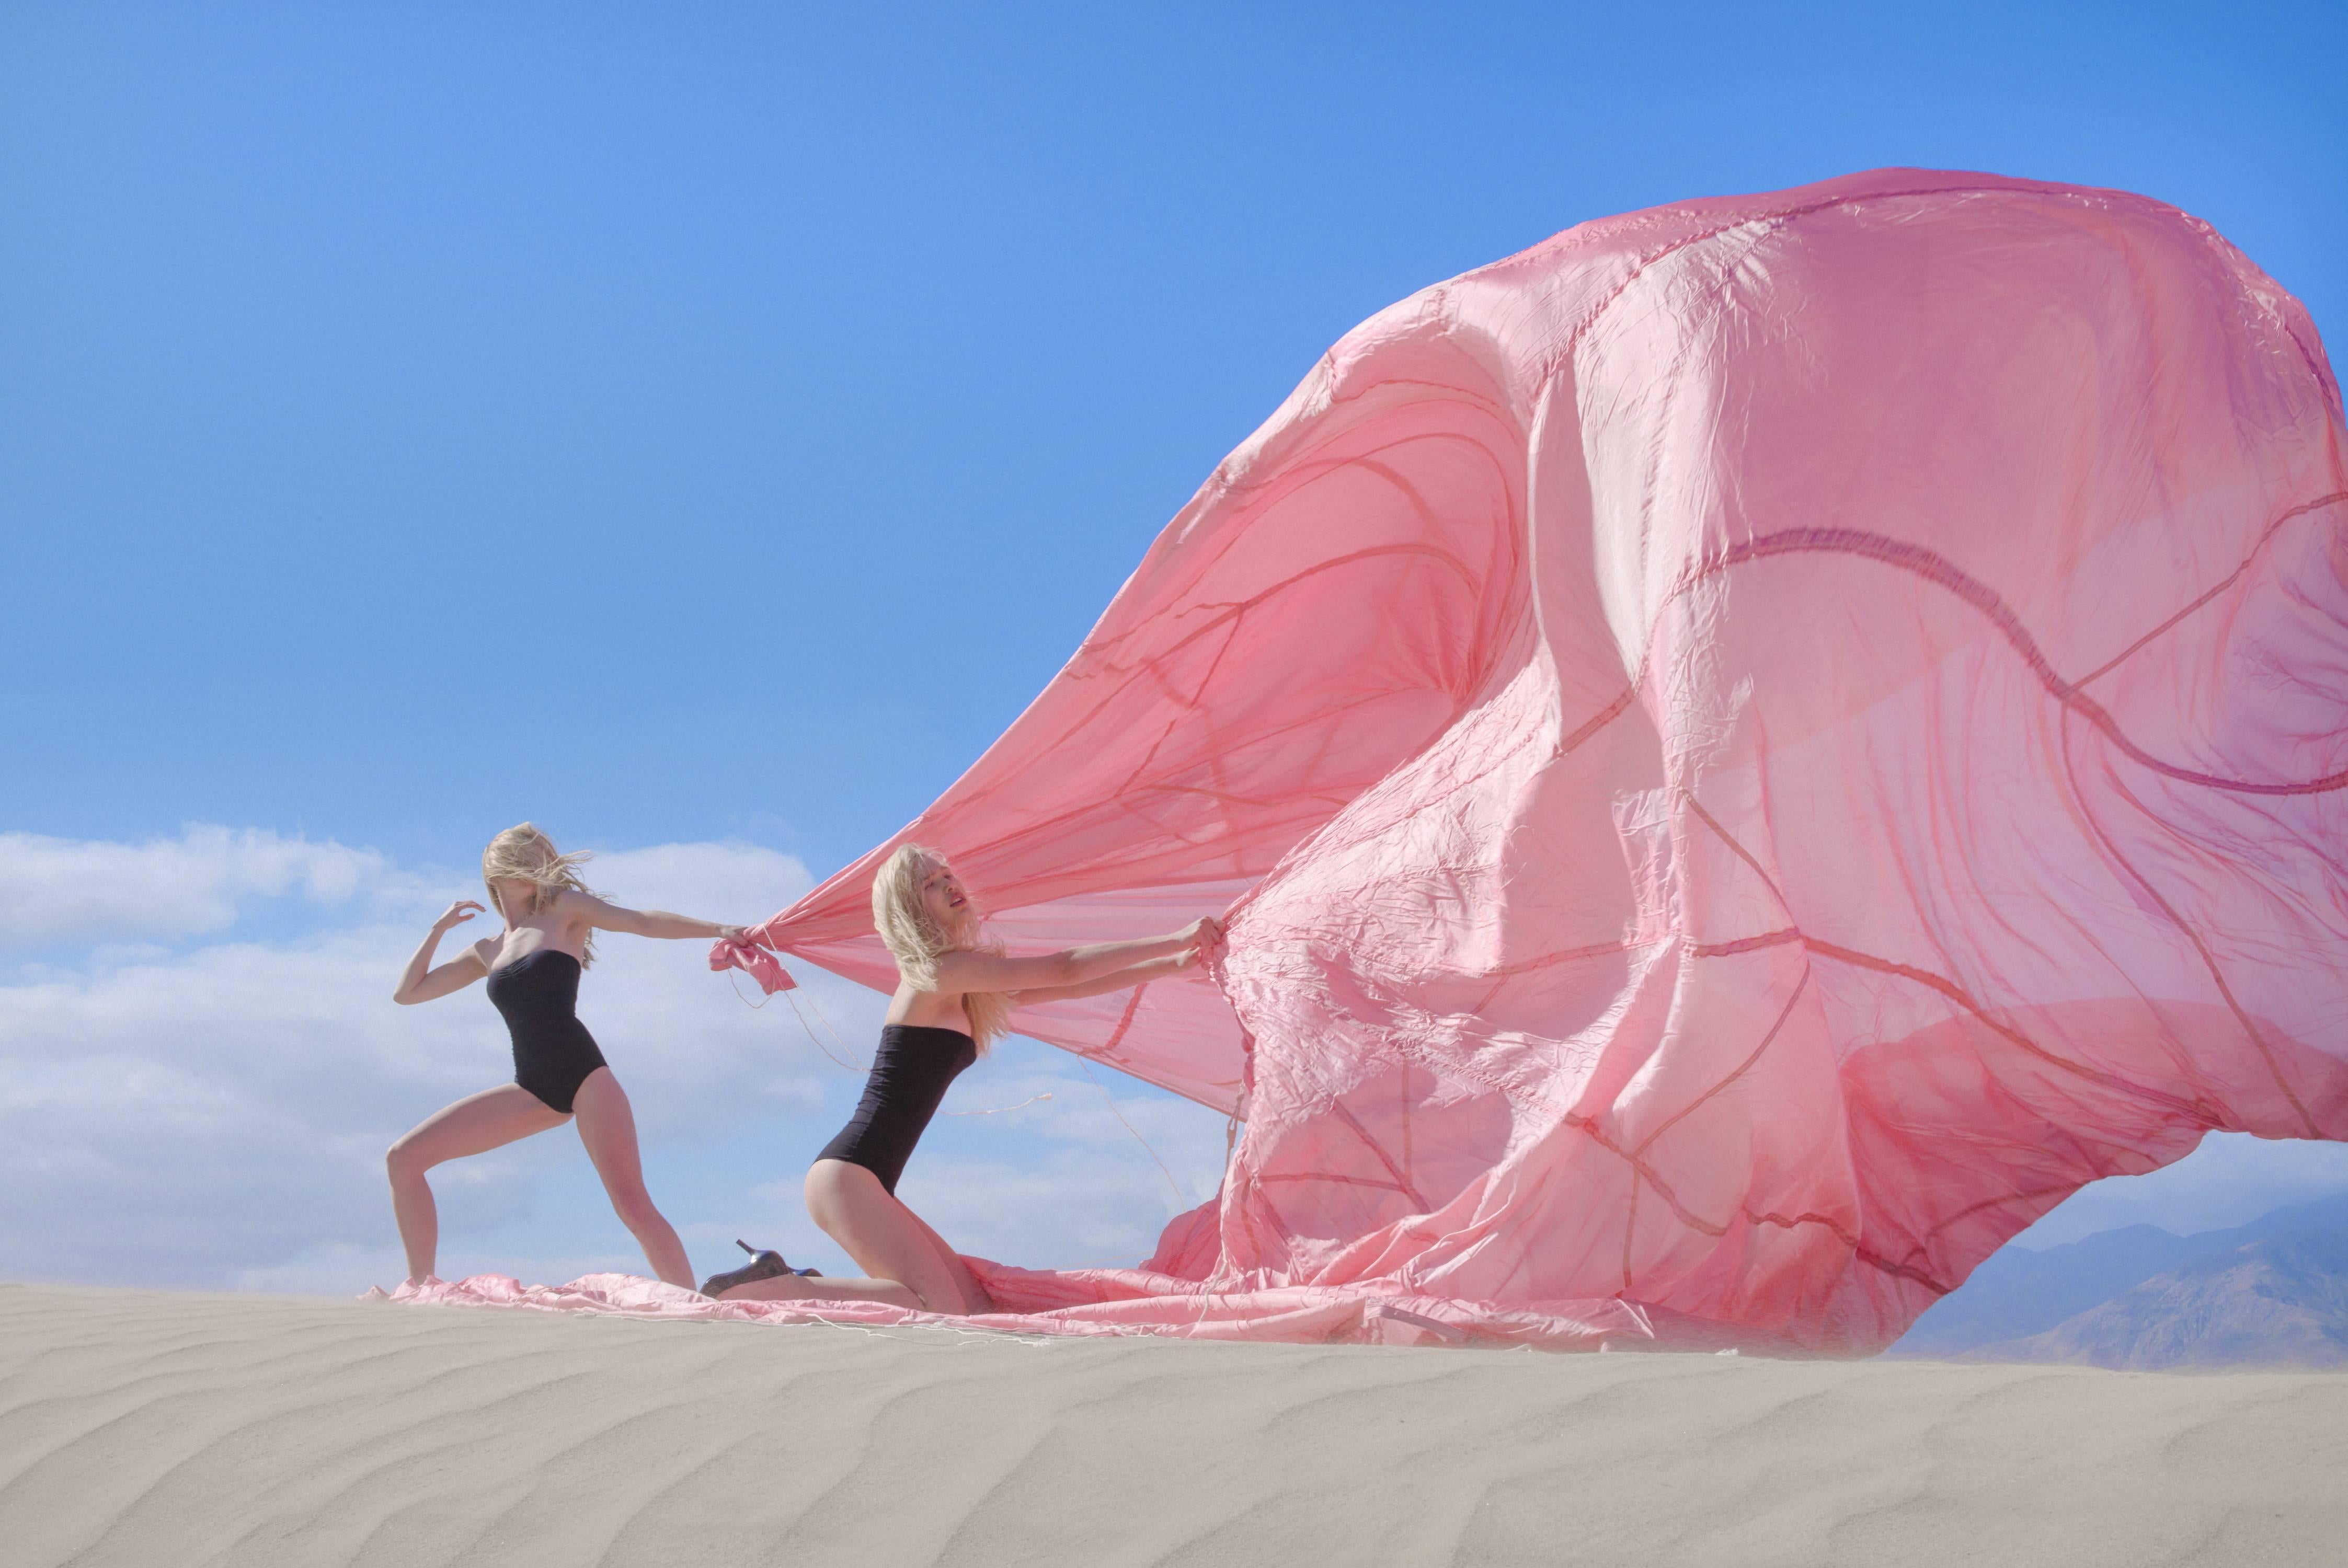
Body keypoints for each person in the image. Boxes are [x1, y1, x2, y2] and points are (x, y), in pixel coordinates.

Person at [704, 843, 1222, 1311]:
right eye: (931, 883)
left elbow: (1066, 987)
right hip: (847, 1178)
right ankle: (772, 1288)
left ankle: (787, 1285)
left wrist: (1176, 962)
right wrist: (1172, 937)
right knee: (940, 1307)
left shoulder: (961, 985)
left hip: (863, 1181)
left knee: (973, 1302)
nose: (950, 885)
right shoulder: (933, 974)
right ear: (909, 906)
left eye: (948, 875)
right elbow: (1062, 967)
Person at [387, 823, 752, 1290]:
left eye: (543, 857)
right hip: (533, 1089)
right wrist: (438, 930)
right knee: (403, 1159)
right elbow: (407, 994)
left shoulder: (564, 911)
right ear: (499, 872)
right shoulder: (487, 951)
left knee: (632, 1204)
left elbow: (641, 921)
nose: (540, 866)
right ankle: (420, 1287)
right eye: (529, 857)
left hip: (584, 1076)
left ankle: (693, 1306)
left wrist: (717, 929)